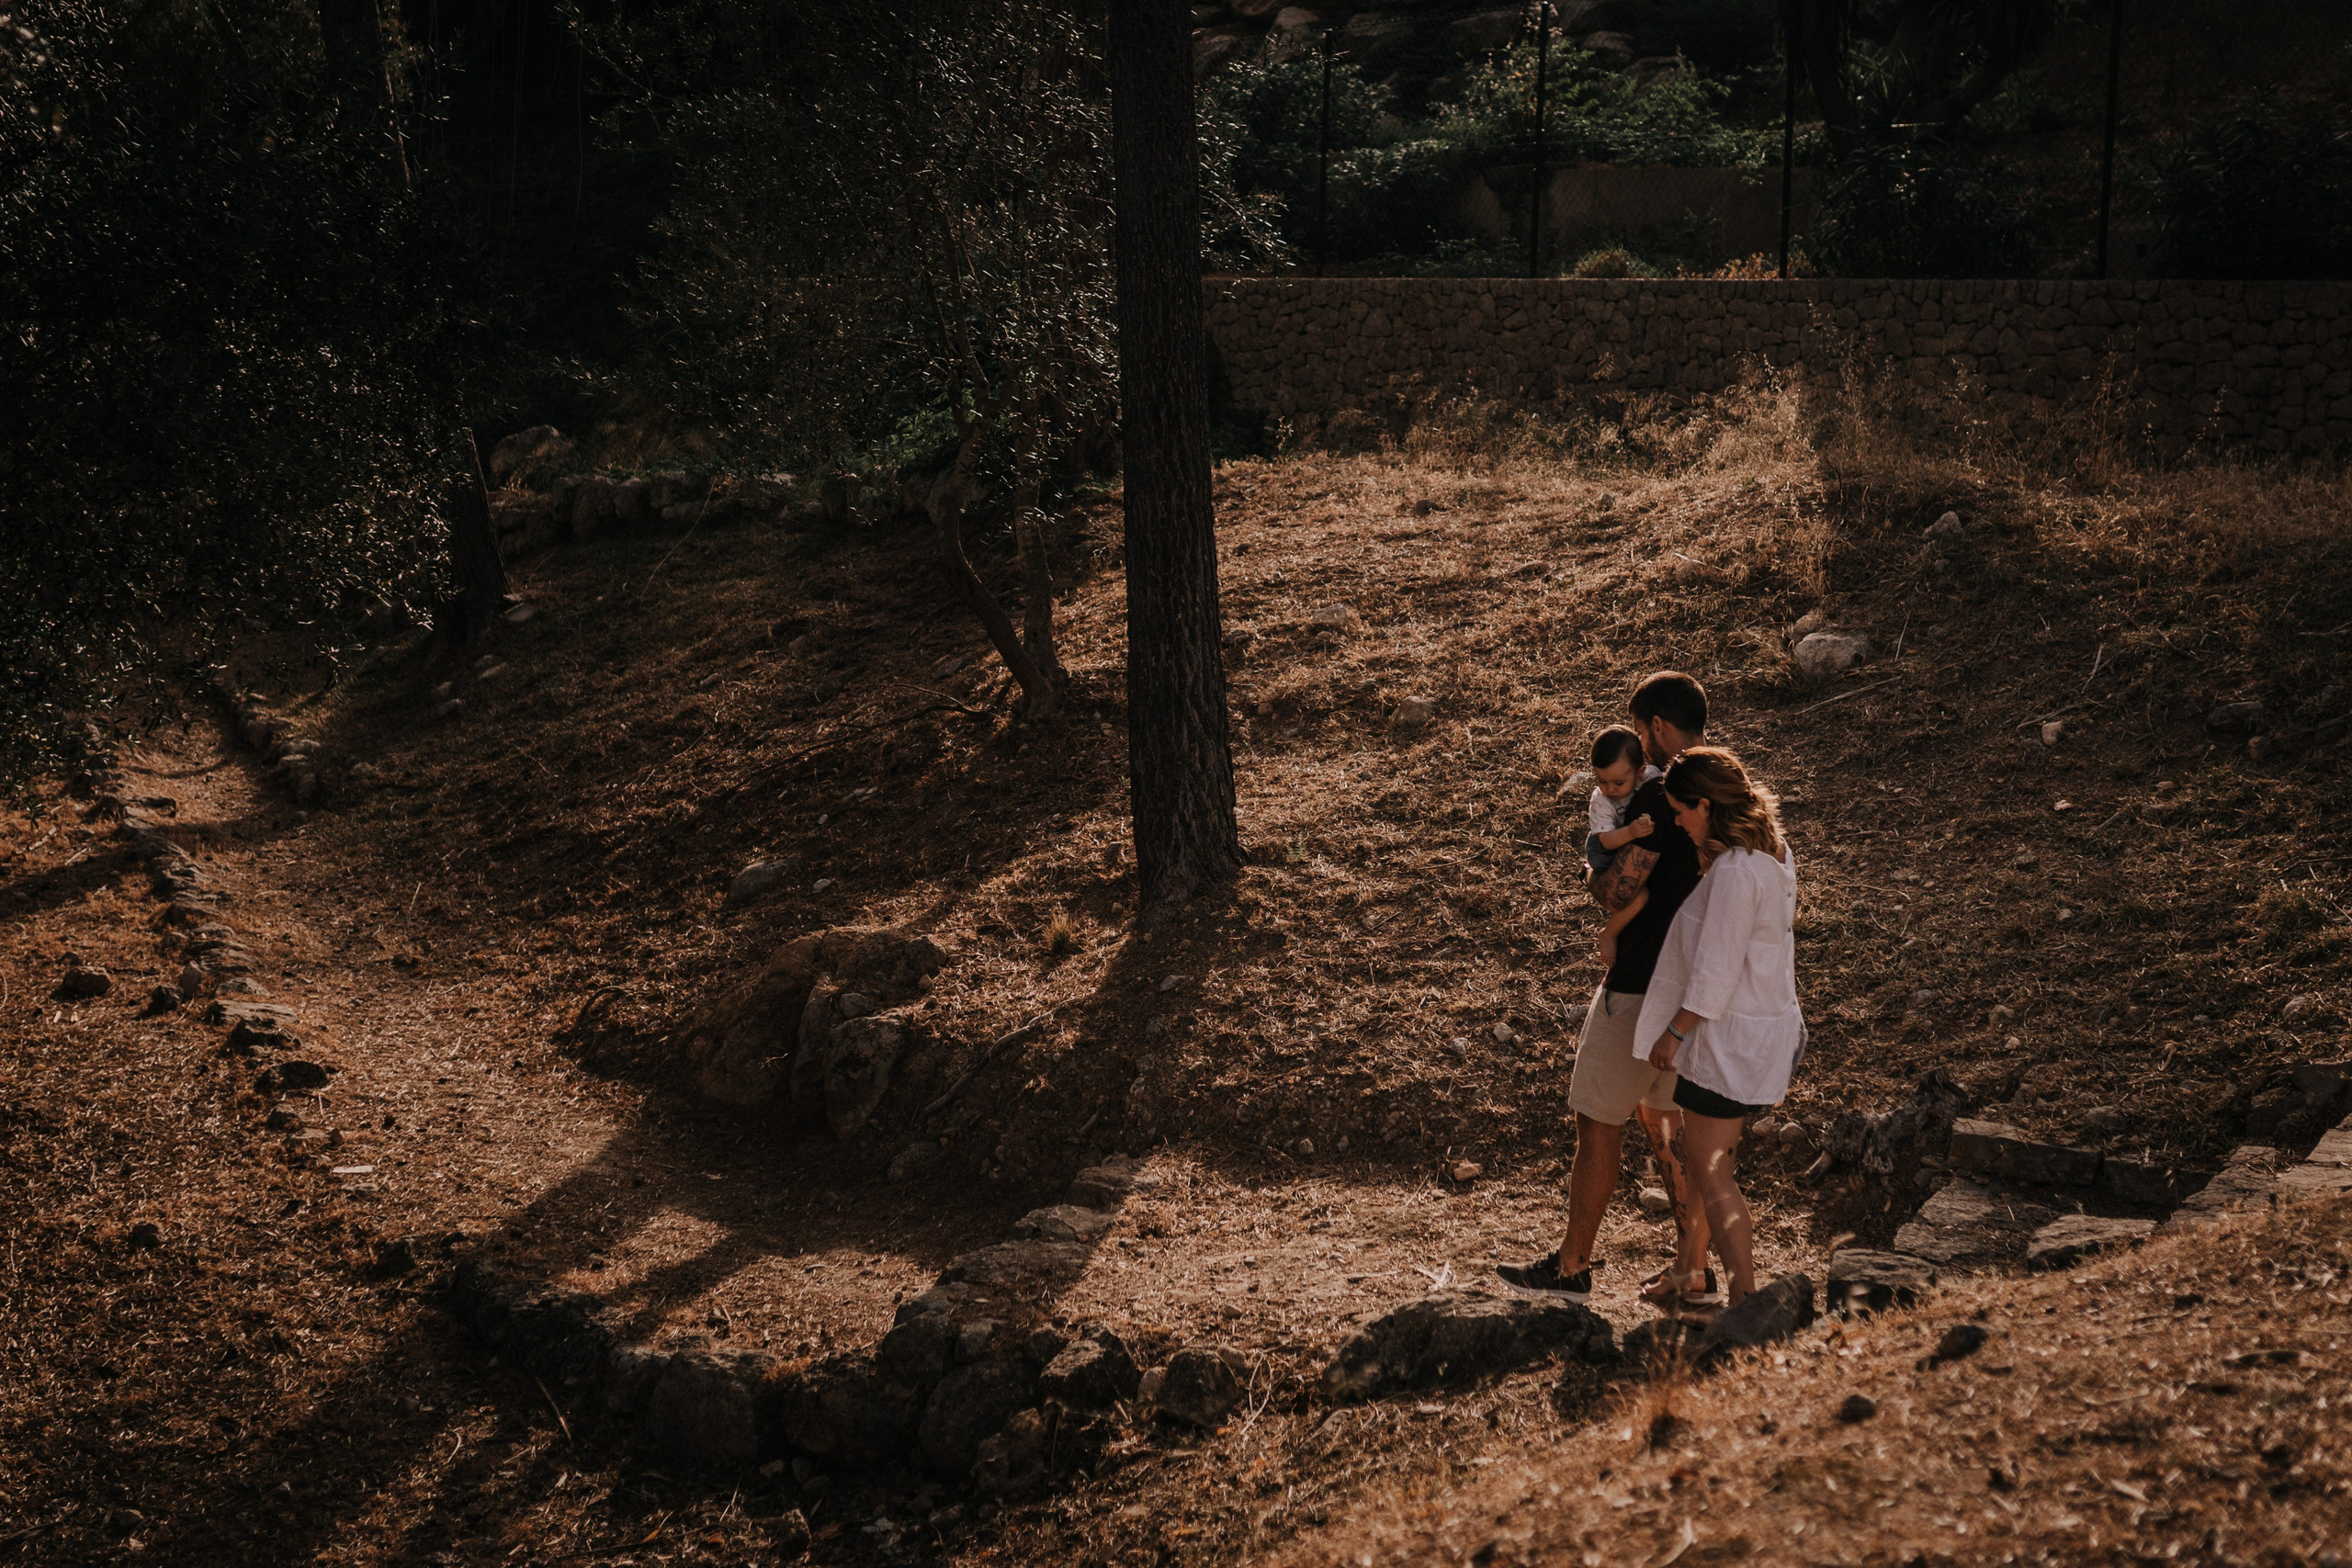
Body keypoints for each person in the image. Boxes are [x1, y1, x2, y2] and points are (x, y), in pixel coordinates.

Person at [1499, 671, 1714, 1307]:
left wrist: (1598, 875)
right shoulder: (1723, 789)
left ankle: (1572, 1268)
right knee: (1669, 1123)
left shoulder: (1660, 796)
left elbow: (1614, 889)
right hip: (1692, 993)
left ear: (1658, 727)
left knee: (1598, 1122)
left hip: (1640, 982)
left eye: (1643, 728)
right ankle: (1694, 1270)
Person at [1634, 747, 1804, 1308]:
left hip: (1728, 1041)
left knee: (1713, 1176)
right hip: (1760, 1031)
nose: (1677, 820)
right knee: (1714, 1168)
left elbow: (1716, 970)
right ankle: (1700, 1276)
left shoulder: (1735, 871)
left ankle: (1745, 1302)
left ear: (1705, 804)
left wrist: (1673, 1033)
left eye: (1681, 809)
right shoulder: (1775, 853)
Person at [1583, 724, 1661, 968]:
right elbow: (1605, 840)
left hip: (1630, 840)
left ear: (1640, 771)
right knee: (1640, 898)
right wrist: (1630, 832)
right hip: (1605, 851)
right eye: (1601, 781)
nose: (1610, 789)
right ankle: (1609, 932)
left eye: (1618, 783)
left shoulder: (1652, 777)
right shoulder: (1602, 801)